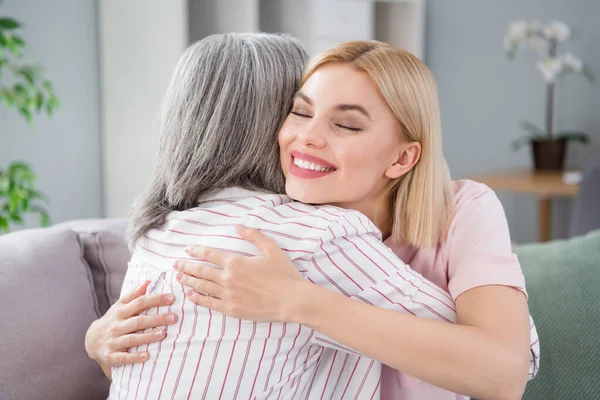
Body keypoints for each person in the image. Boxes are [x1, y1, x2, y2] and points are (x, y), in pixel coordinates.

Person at [86, 39, 540, 399]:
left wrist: (297, 301)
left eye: (346, 125)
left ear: (402, 158)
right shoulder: (266, 230)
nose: (307, 138)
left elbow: (505, 372)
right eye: (299, 112)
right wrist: (100, 342)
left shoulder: (463, 209)